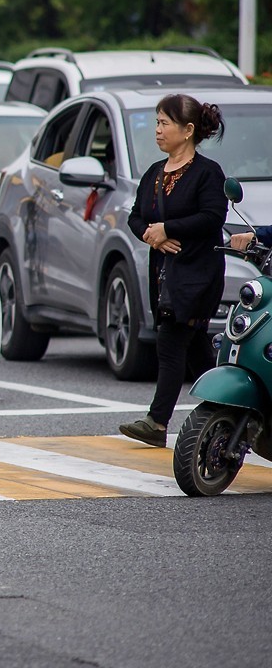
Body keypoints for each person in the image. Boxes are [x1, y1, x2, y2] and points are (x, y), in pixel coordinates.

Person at [119, 95, 227, 448]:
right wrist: (151, 235)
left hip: (197, 273)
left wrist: (169, 228)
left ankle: (157, 421)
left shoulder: (207, 173)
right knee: (194, 347)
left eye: (165, 123)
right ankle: (229, 410)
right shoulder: (154, 173)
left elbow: (212, 218)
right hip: (164, 274)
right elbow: (135, 216)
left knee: (171, 341)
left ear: (188, 130)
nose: (158, 130)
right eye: (157, 122)